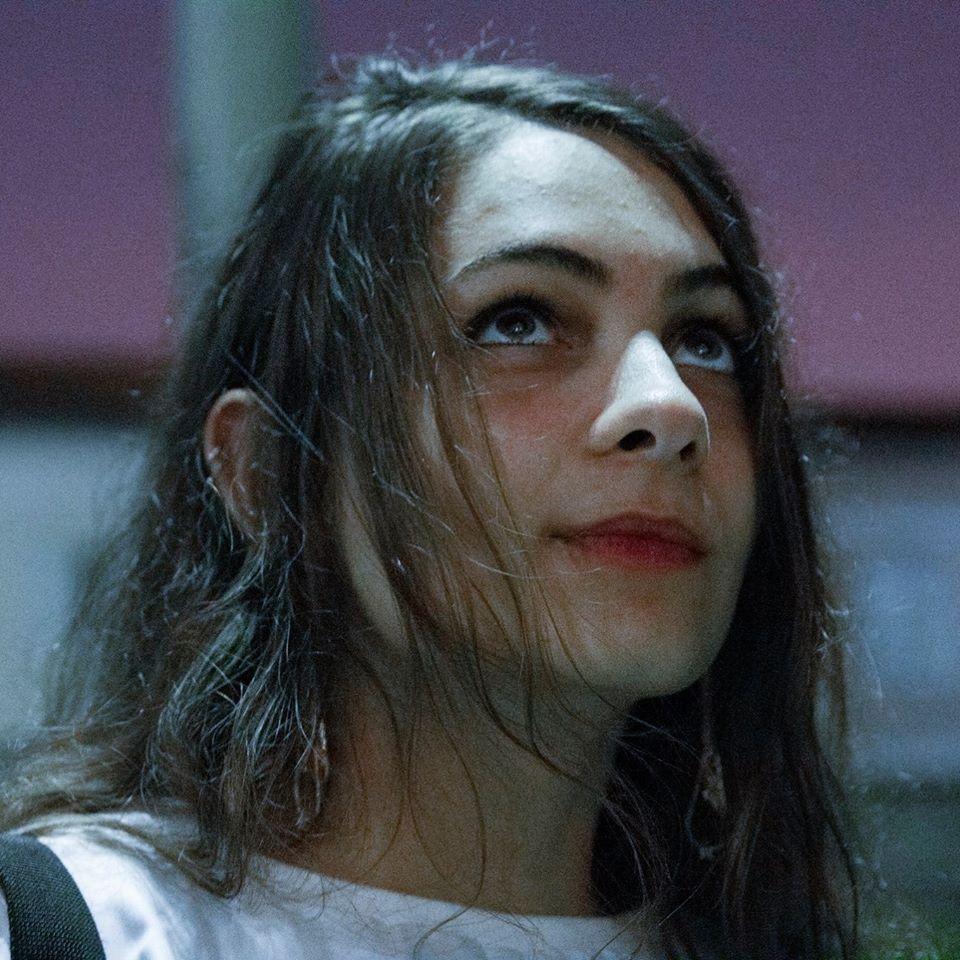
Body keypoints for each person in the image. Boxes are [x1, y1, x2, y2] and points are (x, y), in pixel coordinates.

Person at [0, 54, 859, 959]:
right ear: (271, 474)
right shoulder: (79, 931)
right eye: (519, 321)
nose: (670, 407)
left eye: (707, 340)